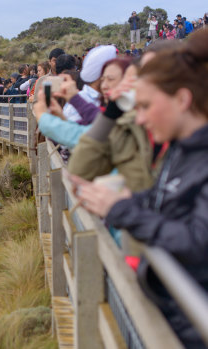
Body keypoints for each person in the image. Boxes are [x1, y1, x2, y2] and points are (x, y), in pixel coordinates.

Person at [71, 29, 208, 348]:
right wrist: (121, 200)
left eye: (146, 105)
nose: (141, 116)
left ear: (182, 98)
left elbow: (198, 243)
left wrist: (122, 209)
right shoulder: (179, 148)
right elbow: (165, 198)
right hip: (169, 313)